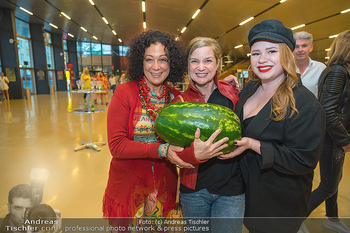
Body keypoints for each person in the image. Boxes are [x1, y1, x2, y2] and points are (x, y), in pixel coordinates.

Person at [219, 19, 326, 233]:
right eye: (256, 53)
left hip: (279, 203)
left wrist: (253, 144)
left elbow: (303, 160)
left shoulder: (304, 103)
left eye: (271, 51)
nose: (262, 59)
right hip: (248, 196)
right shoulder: (250, 88)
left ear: (286, 54)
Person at [102, 30, 187, 220]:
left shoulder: (176, 98)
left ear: (171, 62)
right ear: (141, 62)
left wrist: (220, 84)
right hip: (129, 188)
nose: (156, 66)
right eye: (149, 59)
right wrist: (162, 150)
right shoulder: (125, 92)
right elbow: (116, 146)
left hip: (164, 189)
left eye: (163, 59)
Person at [165, 37, 244, 233]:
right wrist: (194, 155)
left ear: (218, 63)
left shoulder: (233, 95)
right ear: (188, 65)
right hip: (194, 193)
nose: (201, 67)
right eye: (195, 61)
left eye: (208, 60)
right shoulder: (179, 104)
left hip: (231, 191)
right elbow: (173, 153)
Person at [302, 30, 350, 233]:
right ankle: (293, 219)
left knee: (334, 181)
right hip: (332, 139)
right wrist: (345, 140)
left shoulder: (341, 70)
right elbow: (328, 111)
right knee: (328, 186)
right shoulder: (338, 71)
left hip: (334, 137)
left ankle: (331, 217)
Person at [293, 31, 326, 96]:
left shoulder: (321, 68)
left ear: (311, 48)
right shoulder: (285, 68)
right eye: (296, 46)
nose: (300, 50)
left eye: (304, 46)